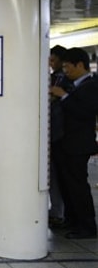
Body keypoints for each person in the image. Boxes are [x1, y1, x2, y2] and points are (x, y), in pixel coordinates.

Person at [50, 47, 98, 239]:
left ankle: (87, 226)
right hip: (65, 143)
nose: (65, 70)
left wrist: (63, 96)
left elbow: (84, 111)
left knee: (78, 186)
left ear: (80, 65)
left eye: (68, 67)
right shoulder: (72, 84)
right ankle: (72, 219)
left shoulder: (91, 85)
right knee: (67, 185)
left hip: (78, 145)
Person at [48, 44, 70, 227]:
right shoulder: (53, 78)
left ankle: (59, 213)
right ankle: (57, 211)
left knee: (62, 176)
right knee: (54, 176)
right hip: (53, 135)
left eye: (54, 60)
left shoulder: (64, 81)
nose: (51, 63)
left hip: (61, 135)